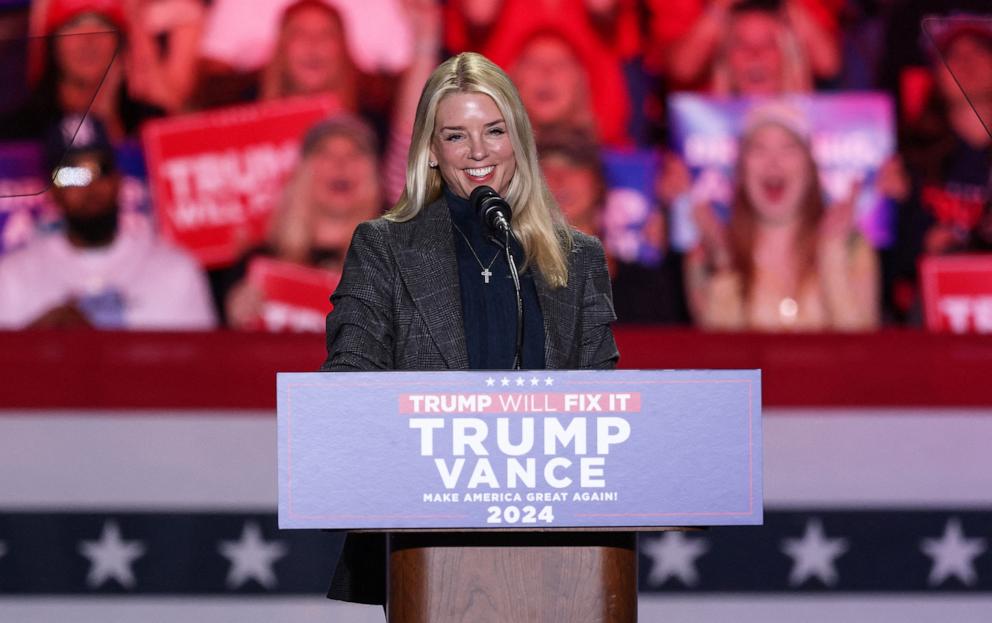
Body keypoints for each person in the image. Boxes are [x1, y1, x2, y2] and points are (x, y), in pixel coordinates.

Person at [320, 51, 618, 604]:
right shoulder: (382, 248)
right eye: (456, 136)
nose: (479, 151)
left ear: (518, 140)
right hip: (429, 542)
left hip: (559, 549)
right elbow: (349, 388)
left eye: (495, 131)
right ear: (432, 153)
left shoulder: (578, 259)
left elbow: (604, 404)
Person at [0, 114, 216, 329]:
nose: (90, 186)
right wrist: (35, 340)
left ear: (119, 179)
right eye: (72, 175)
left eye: (100, 169)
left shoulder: (175, 272)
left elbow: (203, 361)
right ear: (52, 190)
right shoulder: (13, 278)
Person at [683, 103, 880, 331]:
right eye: (758, 149)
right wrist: (724, 262)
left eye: (788, 148)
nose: (773, 163)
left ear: (810, 169)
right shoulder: (704, 254)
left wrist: (831, 254)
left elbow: (861, 354)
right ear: (740, 170)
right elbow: (720, 356)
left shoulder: (852, 246)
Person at [223, 114, 385, 329]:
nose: (341, 164)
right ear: (302, 173)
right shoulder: (255, 266)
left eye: (356, 153)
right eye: (324, 153)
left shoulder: (394, 270)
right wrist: (234, 321)